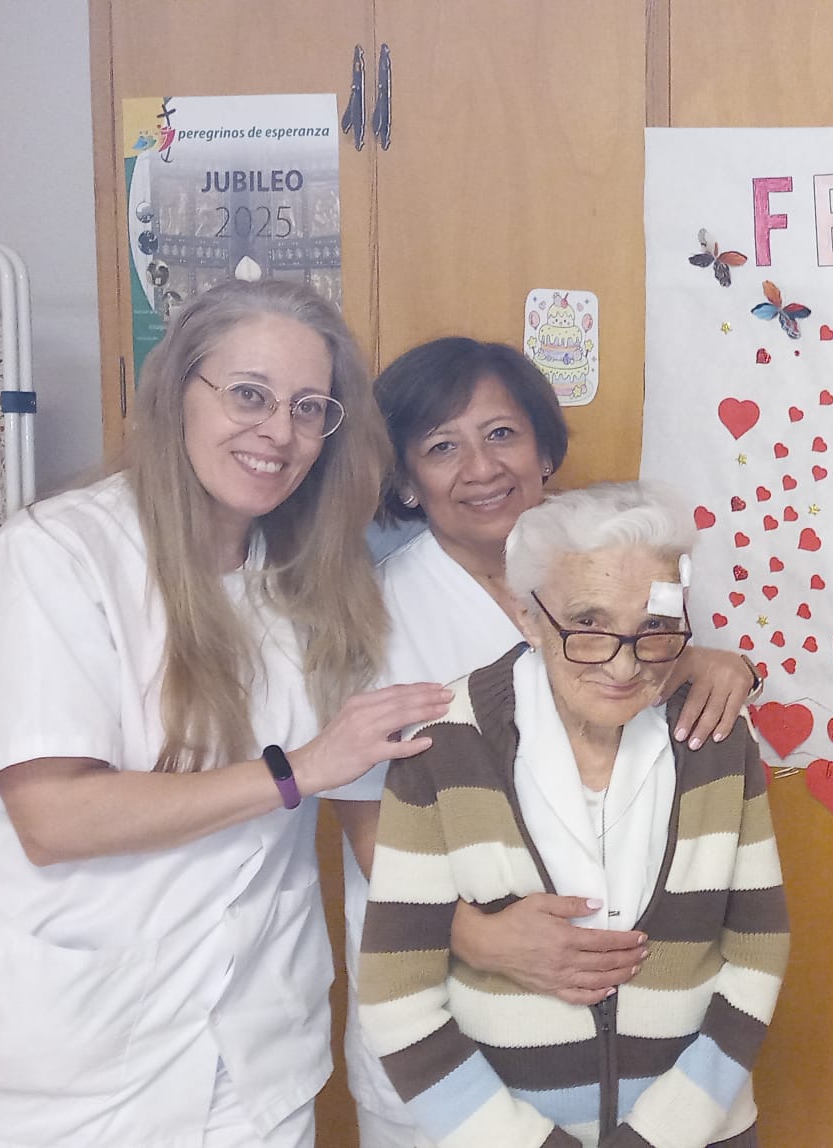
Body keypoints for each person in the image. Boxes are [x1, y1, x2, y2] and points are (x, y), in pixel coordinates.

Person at [0, 279, 452, 1146]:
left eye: (309, 408)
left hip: (259, 1053)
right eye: (248, 394)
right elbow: (54, 817)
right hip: (82, 1057)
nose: (279, 432)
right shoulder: (58, 554)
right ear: (177, 393)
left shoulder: (310, 581)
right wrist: (298, 771)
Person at [335, 337, 761, 1146]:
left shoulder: (624, 569)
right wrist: (483, 937)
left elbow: (655, 689)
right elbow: (368, 826)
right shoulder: (369, 617)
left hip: (643, 1041)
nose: (482, 468)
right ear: (405, 481)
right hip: (451, 1032)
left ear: (544, 450)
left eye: (502, 434)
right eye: (441, 447)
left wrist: (716, 662)